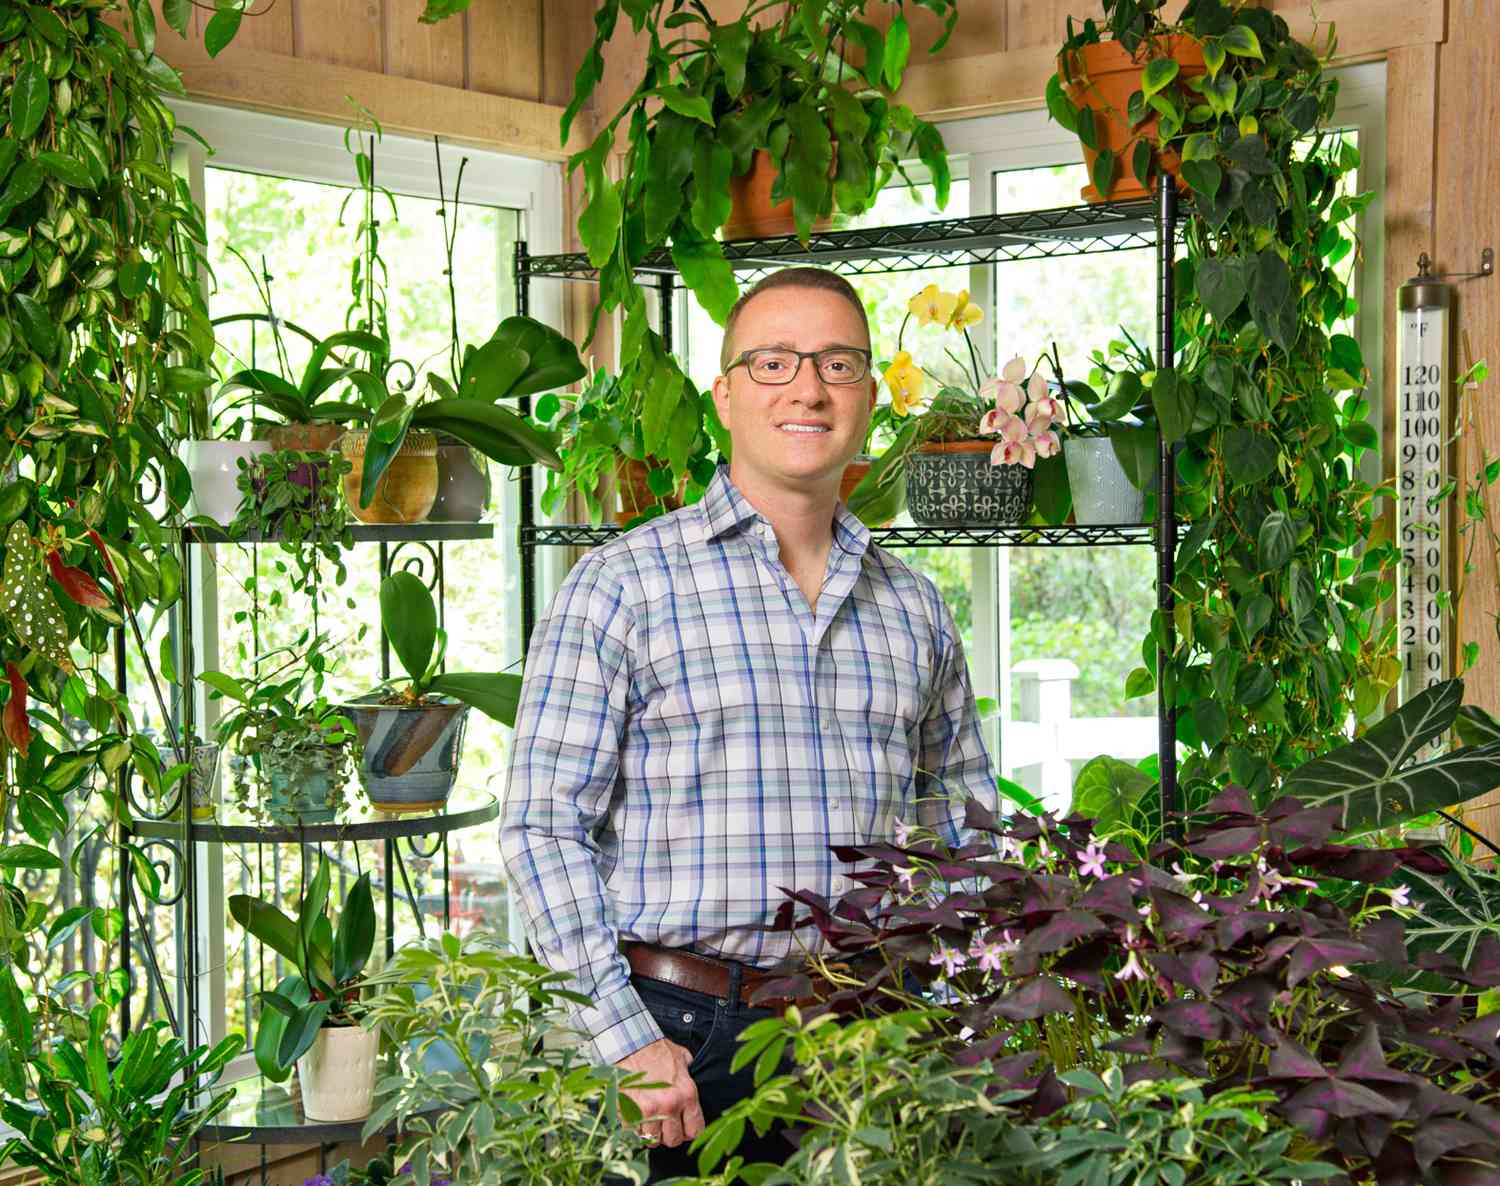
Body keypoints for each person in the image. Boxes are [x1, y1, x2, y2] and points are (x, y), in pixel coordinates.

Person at [499, 266, 998, 1180]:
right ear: (725, 395)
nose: (808, 387)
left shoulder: (914, 607)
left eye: (838, 364)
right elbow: (540, 830)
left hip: (868, 1043)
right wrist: (624, 1043)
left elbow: (963, 828)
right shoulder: (622, 586)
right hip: (679, 1045)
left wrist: (950, 1014)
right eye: (774, 363)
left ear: (871, 398)